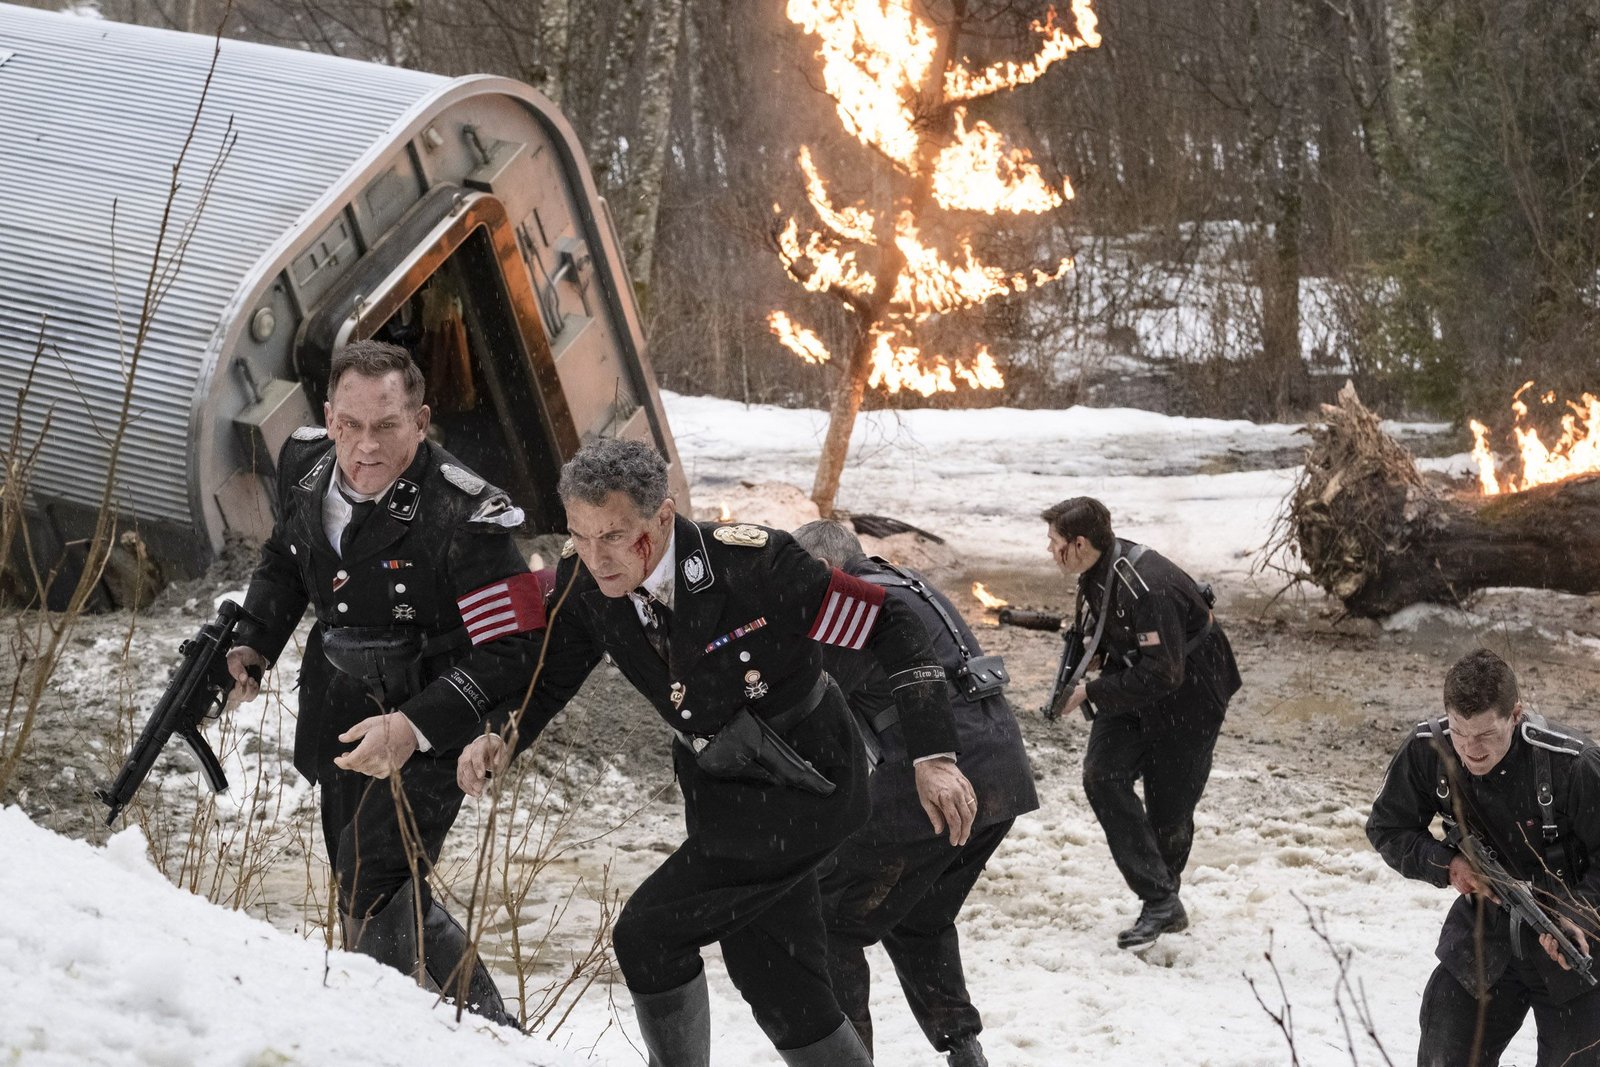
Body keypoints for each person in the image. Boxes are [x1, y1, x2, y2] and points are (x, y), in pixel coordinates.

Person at [456, 438, 976, 1067]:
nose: (597, 557)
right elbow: (555, 671)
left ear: (664, 518)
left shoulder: (756, 566)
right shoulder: (586, 581)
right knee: (776, 978)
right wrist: (503, 734)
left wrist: (934, 755)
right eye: (581, 536)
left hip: (807, 784)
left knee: (647, 936)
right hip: (720, 791)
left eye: (617, 536)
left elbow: (892, 624)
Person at [226, 340, 543, 1024]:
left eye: (387, 425)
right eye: (351, 424)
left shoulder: (466, 514)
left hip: (434, 714)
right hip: (339, 702)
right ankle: (448, 1028)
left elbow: (512, 649)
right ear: (330, 416)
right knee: (362, 878)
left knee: (373, 875)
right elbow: (287, 556)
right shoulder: (305, 462)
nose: (365, 446)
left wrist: (414, 726)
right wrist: (255, 637)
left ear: (420, 420)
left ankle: (455, 1029)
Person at [792, 520, 1038, 1067]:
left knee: (828, 918)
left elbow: (805, 695)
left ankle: (847, 1060)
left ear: (824, 570)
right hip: (1002, 777)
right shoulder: (907, 582)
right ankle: (962, 1046)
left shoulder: (853, 603)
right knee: (919, 914)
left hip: (936, 782)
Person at [1367, 648, 1600, 1066]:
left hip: (1571, 946)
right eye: (1460, 732)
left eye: (1486, 735)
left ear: (1516, 715)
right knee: (1445, 1053)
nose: (1471, 750)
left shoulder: (1573, 765)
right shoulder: (1430, 750)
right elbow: (1387, 827)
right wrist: (1448, 864)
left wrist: (1577, 916)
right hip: (1484, 934)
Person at [1043, 496, 1240, 949]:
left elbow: (1165, 673)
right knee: (1102, 775)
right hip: (1134, 680)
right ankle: (1160, 901)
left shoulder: (1146, 586)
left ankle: (1162, 904)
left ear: (1078, 543)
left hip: (1191, 692)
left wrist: (1089, 692)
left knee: (1169, 811)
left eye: (1053, 542)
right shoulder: (1096, 571)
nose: (1048, 550)